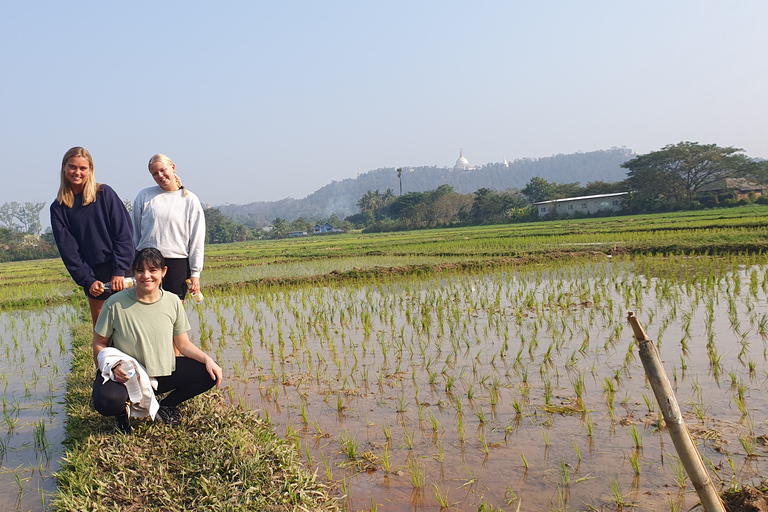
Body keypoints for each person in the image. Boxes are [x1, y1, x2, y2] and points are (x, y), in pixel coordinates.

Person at [92, 248, 222, 434]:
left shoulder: (172, 301)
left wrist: (208, 360)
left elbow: (183, 344)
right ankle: (121, 414)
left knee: (210, 373)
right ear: (134, 273)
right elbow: (99, 343)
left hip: (161, 371)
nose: (146, 276)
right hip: (128, 375)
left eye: (153, 270)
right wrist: (112, 368)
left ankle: (166, 405)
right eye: (140, 270)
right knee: (106, 400)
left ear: (164, 272)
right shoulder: (115, 304)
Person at [50, 147, 135, 325]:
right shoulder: (59, 208)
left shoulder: (104, 194)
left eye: (83, 168)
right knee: (103, 332)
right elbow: (69, 251)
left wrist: (119, 270)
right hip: (94, 275)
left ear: (90, 169)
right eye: (72, 167)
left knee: (132, 327)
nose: (77, 172)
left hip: (122, 270)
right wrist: (88, 280)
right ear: (64, 168)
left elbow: (123, 233)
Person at [132, 154, 205, 301]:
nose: (160, 175)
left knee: (175, 312)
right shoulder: (144, 196)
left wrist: (195, 273)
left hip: (177, 262)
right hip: (147, 261)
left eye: (163, 170)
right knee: (147, 308)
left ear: (173, 168)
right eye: (155, 173)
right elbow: (134, 233)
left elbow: (196, 240)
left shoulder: (190, 199)